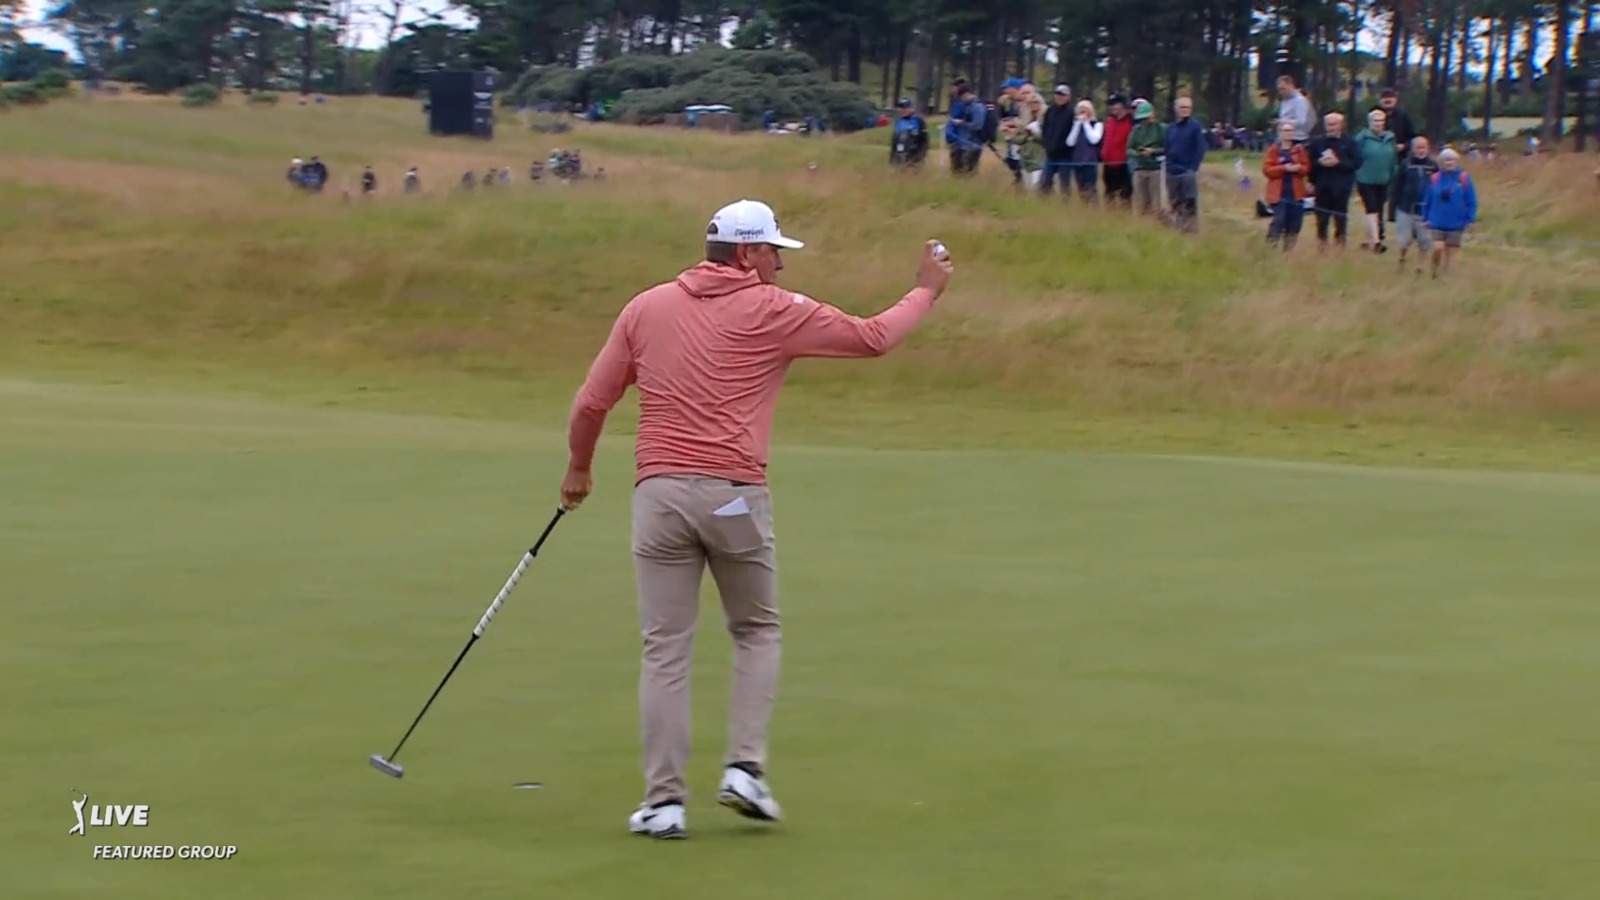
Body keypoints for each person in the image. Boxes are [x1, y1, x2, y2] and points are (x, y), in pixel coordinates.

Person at [561, 200, 954, 840]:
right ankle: (744, 768)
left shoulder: (646, 307)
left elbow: (590, 404)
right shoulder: (774, 309)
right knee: (756, 630)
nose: (780, 263)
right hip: (735, 496)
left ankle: (663, 804)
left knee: (665, 648)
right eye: (773, 251)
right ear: (746, 254)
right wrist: (925, 291)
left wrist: (578, 470)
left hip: (658, 495)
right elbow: (874, 338)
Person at [1306, 112, 1360, 250]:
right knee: (1321, 219)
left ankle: (1340, 247)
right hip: (1322, 186)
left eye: (1334, 124)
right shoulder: (1317, 142)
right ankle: (1321, 246)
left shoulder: (1350, 142)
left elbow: (1356, 163)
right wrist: (1319, 164)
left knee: (1340, 219)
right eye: (1328, 125)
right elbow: (1309, 164)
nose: (1330, 127)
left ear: (1341, 125)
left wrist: (1338, 163)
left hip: (1342, 187)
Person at [1422, 147, 1476, 278]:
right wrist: (1425, 217)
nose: (1449, 163)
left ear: (1456, 161)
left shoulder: (1464, 178)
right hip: (1436, 222)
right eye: (1446, 160)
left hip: (1456, 223)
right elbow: (1427, 200)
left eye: (1451, 160)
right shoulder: (1434, 178)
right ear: (1441, 162)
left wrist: (1470, 218)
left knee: (1451, 254)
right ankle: (1434, 270)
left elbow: (1471, 200)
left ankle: (1446, 275)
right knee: (1438, 248)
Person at [1390, 136, 1439, 275]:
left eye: (1424, 147)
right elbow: (1396, 187)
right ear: (1413, 149)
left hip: (1425, 210)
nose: (1421, 150)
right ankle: (1402, 258)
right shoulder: (1405, 164)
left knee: (1424, 240)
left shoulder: (1433, 166)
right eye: (1418, 147)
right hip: (1406, 208)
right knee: (1405, 240)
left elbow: (1438, 187)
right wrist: (1392, 209)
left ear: (1428, 148)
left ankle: (1420, 267)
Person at [1263, 121, 1311, 252]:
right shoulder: (1273, 150)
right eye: (1285, 131)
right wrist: (1284, 168)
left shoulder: (1299, 150)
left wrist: (1298, 168)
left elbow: (1306, 168)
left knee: (1295, 224)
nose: (1288, 133)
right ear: (1280, 133)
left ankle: (1288, 251)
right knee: (1279, 221)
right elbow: (1267, 170)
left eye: (1290, 131)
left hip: (1296, 194)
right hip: (1278, 194)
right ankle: (1270, 248)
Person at [1354, 109, 1398, 252]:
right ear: (1369, 122)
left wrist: (1393, 173)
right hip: (1365, 179)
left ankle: (1369, 240)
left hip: (1384, 179)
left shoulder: (1390, 138)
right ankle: (1377, 242)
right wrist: (1357, 173)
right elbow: (1355, 157)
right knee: (1371, 208)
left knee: (1378, 209)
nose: (1378, 124)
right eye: (1375, 121)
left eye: (1381, 121)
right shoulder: (1362, 138)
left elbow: (1394, 158)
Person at [1163, 96, 1207, 232]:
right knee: (1174, 203)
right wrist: (1168, 164)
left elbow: (1201, 148)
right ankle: (1177, 229)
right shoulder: (1170, 128)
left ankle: (1191, 231)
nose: (1185, 110)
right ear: (1176, 109)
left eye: (1188, 107)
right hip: (1171, 172)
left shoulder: (1195, 127)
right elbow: (1166, 147)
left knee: (1189, 203)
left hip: (1187, 171)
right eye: (1182, 107)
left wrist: (1193, 168)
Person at [1128, 98, 1165, 215]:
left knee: (1155, 203)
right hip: (1139, 169)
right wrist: (1138, 153)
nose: (1144, 121)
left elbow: (1167, 148)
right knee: (1140, 204)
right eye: (1142, 119)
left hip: (1155, 169)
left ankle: (1155, 222)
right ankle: (1142, 223)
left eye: (1146, 118)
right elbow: (1129, 149)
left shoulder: (1161, 129)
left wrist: (1153, 151)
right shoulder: (1136, 130)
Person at [1038, 85, 1076, 197]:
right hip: (1050, 154)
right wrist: (1046, 143)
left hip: (1065, 156)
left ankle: (1065, 205)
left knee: (1064, 185)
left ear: (1068, 97)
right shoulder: (1050, 111)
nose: (1060, 97)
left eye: (1063, 95)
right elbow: (1045, 128)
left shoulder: (1071, 112)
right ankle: (1044, 204)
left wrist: (1066, 148)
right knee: (1044, 182)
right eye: (1058, 94)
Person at [1065, 98, 1103, 202]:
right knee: (1081, 189)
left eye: (1085, 110)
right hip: (1077, 161)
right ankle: (1084, 207)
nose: (1082, 112)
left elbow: (1094, 139)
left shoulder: (1097, 124)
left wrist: (1086, 123)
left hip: (1090, 162)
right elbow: (1070, 142)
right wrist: (1077, 125)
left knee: (1091, 188)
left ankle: (1094, 207)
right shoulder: (1076, 125)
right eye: (1080, 110)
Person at [1101, 94, 1134, 207]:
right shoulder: (1110, 121)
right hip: (1108, 164)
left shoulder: (1130, 121)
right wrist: (1103, 154)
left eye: (1115, 104)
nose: (1112, 107)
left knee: (1125, 195)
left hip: (1124, 164)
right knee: (1109, 194)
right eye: (1110, 105)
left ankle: (1124, 215)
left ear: (1123, 105)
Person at [946, 84, 985, 176]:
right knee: (958, 173)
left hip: (973, 146)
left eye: (961, 97)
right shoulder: (968, 106)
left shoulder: (977, 107)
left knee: (968, 174)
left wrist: (961, 123)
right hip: (963, 145)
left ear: (966, 94)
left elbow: (977, 126)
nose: (961, 100)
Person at [889, 97, 929, 168]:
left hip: (915, 159)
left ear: (911, 108)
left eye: (905, 107)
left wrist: (921, 156)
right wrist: (892, 160)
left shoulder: (918, 121)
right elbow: (894, 142)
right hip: (900, 159)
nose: (903, 110)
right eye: (901, 107)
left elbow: (924, 141)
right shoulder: (899, 122)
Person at [1377, 88, 1416, 159]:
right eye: (1384, 97)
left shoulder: (1403, 116)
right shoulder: (1375, 116)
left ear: (1396, 100)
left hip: (1401, 156)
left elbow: (1412, 138)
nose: (1387, 99)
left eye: (1390, 96)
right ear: (1380, 101)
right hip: (1380, 156)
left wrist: (1404, 146)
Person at [1276, 75, 1316, 144]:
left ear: (1291, 86)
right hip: (1284, 137)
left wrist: (1282, 122)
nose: (1281, 92)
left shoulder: (1300, 100)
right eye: (1279, 89)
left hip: (1297, 138)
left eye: (1283, 89)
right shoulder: (1284, 101)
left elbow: (1301, 121)